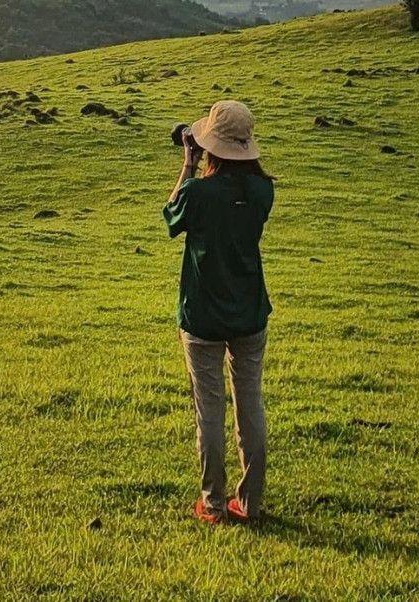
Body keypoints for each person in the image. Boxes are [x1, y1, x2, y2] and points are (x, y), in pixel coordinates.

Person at [162, 99, 275, 525]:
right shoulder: (264, 191)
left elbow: (171, 218)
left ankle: (212, 503)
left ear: (211, 147)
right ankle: (250, 504)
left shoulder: (198, 193)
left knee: (209, 409)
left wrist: (187, 166)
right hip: (249, 311)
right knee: (251, 407)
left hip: (203, 314)